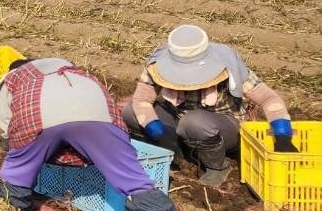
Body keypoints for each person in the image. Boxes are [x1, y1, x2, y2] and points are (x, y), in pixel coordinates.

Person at [0, 57, 179, 211]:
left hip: (38, 114)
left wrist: (23, 160)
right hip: (94, 110)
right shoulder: (67, 69)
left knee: (16, 175)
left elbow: (10, 134)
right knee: (134, 180)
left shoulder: (11, 81)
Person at [122, 25, 296, 187]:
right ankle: (171, 155)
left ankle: (217, 166)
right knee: (131, 112)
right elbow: (142, 99)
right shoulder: (158, 62)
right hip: (178, 121)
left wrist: (282, 135)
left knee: (193, 121)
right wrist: (154, 128)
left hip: (221, 127)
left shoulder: (227, 64)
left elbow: (267, 97)